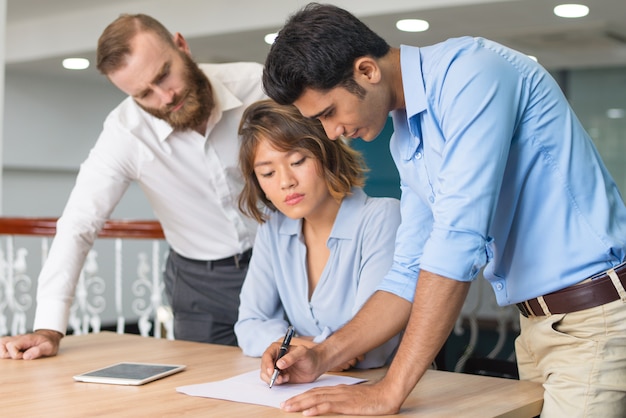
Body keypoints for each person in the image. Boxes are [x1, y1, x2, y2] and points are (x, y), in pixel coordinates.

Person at [259, 3, 626, 417]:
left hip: (593, 319)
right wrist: (322, 357)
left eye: (328, 113)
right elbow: (409, 270)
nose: (332, 133)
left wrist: (389, 390)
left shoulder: (473, 73)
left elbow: (458, 242)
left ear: (366, 70)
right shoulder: (406, 134)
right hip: (538, 325)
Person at [0, 13, 266, 359]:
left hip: (288, 262)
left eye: (163, 74)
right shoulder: (125, 133)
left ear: (181, 46)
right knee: (207, 391)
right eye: (144, 94)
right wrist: (49, 327)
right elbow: (79, 224)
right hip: (202, 282)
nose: (165, 97)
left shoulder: (257, 86)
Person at [234, 99, 401, 370]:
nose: (286, 181)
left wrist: (298, 348)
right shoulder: (273, 229)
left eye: (297, 161)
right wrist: (310, 348)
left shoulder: (382, 218)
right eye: (267, 172)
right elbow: (249, 325)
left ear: (326, 154)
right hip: (313, 387)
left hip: (389, 387)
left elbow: (371, 347)